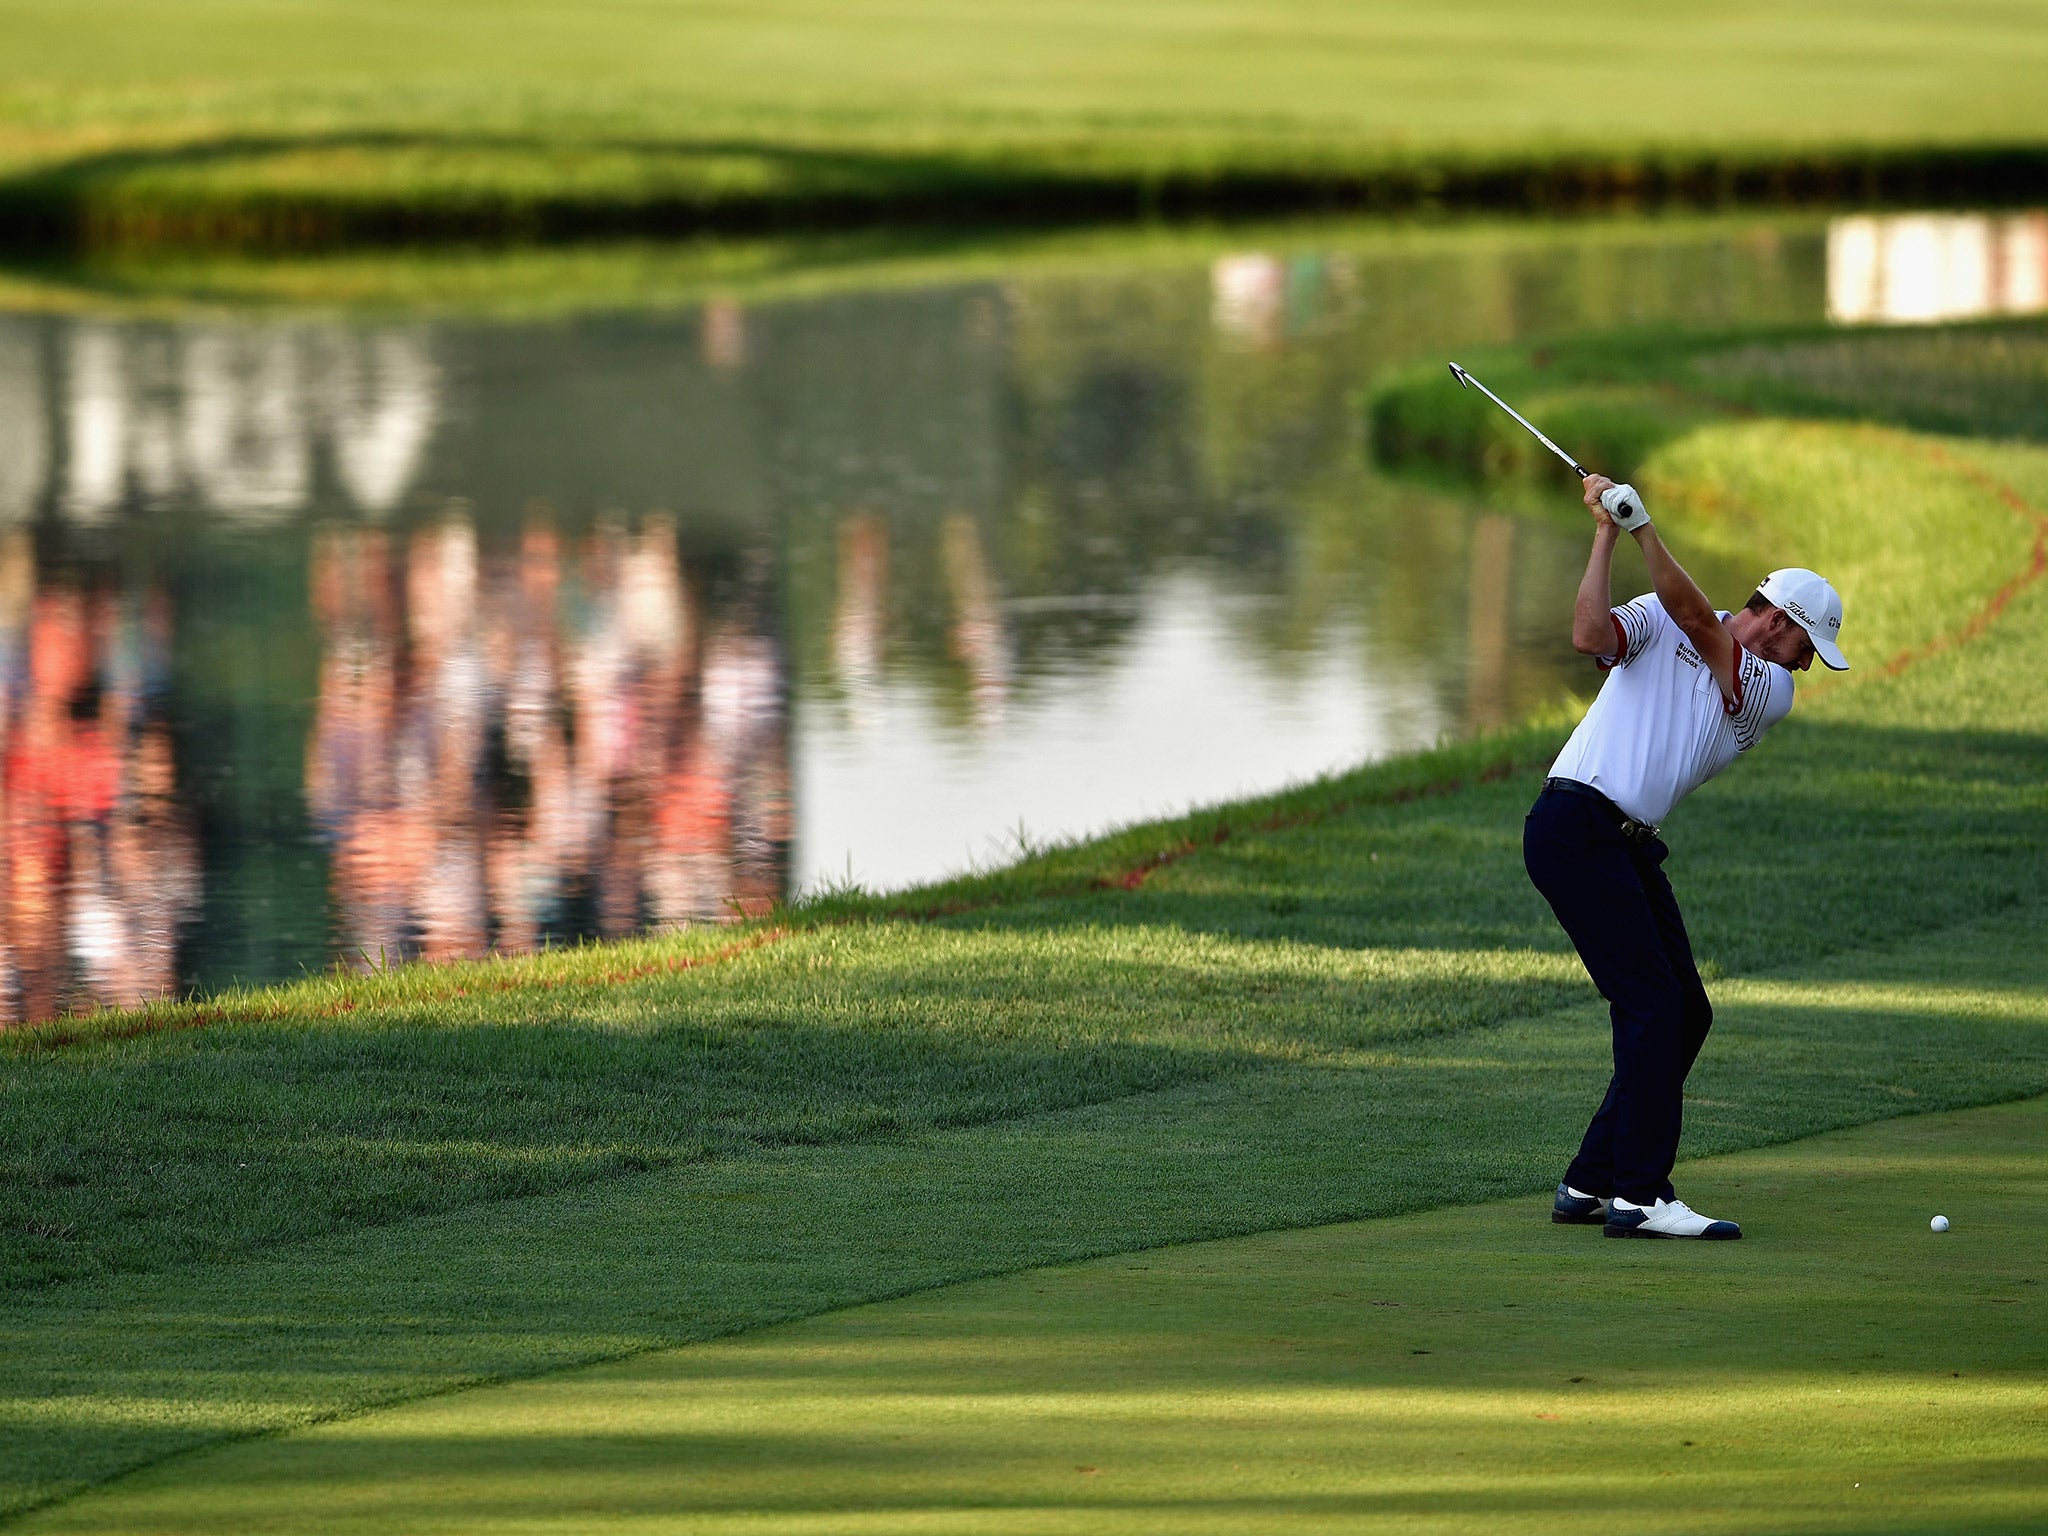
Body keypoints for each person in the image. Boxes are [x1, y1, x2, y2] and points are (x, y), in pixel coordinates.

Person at [1525, 472, 1848, 1240]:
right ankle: (1639, 1194)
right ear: (1781, 622)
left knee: (1684, 1011)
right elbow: (1590, 638)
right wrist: (1608, 532)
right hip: (1575, 823)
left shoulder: (1768, 687)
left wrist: (1645, 530)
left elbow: (1699, 621)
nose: (1809, 663)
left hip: (1625, 843)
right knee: (1652, 1005)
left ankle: (1591, 1179)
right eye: (1811, 645)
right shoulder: (1664, 618)